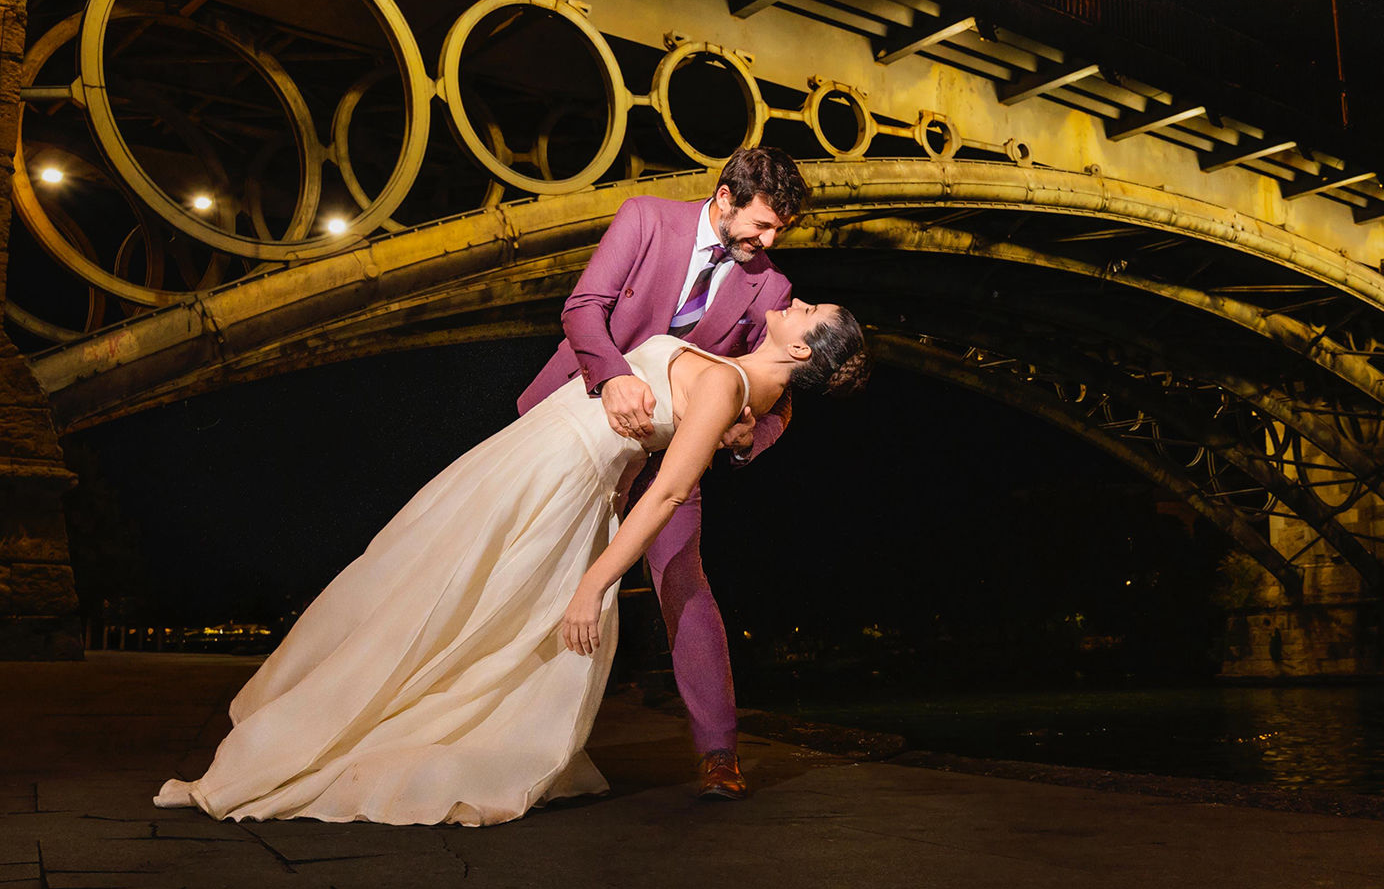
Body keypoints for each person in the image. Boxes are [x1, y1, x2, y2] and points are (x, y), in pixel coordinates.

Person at [153, 302, 869, 826]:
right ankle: (335, 717)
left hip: (554, 473)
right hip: (541, 454)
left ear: (805, 352)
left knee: (437, 595)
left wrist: (594, 584)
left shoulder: (729, 390)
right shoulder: (743, 383)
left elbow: (672, 492)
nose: (794, 299)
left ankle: (316, 733)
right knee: (431, 584)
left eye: (808, 311)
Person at [515, 146, 806, 798]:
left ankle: (719, 752)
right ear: (725, 197)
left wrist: (744, 437)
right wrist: (614, 376)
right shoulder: (646, 219)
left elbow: (780, 397)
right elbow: (583, 307)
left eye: (778, 233)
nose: (766, 244)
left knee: (686, 582)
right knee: (526, 567)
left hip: (666, 457)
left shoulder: (772, 288)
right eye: (760, 225)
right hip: (582, 418)